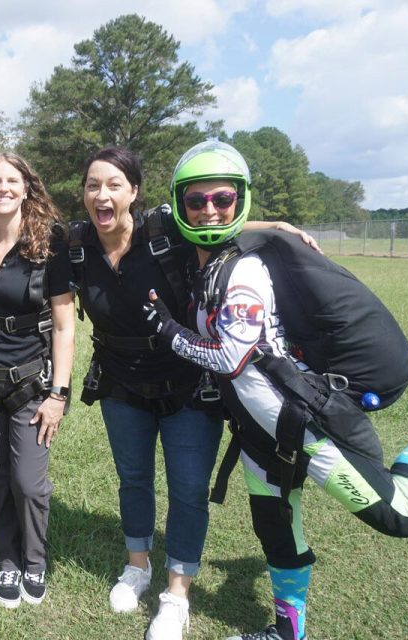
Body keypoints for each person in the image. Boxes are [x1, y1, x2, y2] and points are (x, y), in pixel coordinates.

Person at [144, 140, 408, 640]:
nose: (209, 210)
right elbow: (159, 219)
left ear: (240, 199)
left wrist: (170, 332)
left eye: (222, 199)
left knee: (400, 516)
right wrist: (268, 225)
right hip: (258, 430)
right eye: (196, 200)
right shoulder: (209, 258)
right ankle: (287, 633)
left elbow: (231, 357)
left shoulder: (244, 271)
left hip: (302, 424)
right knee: (276, 530)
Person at [71, 146, 319, 640]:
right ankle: (137, 566)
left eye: (114, 185)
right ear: (83, 194)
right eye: (93, 185)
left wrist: (277, 228)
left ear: (134, 193)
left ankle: (176, 595)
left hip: (190, 387)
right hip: (121, 387)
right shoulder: (76, 244)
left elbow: (218, 221)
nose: (103, 195)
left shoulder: (166, 234)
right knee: (133, 479)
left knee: (188, 491)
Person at [0, 152, 75, 608]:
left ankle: (35, 561)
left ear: (27, 188)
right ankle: (7, 560)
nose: (3, 188)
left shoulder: (50, 243)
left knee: (28, 482)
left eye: (12, 181)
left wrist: (58, 395)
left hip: (31, 385)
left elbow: (65, 326)